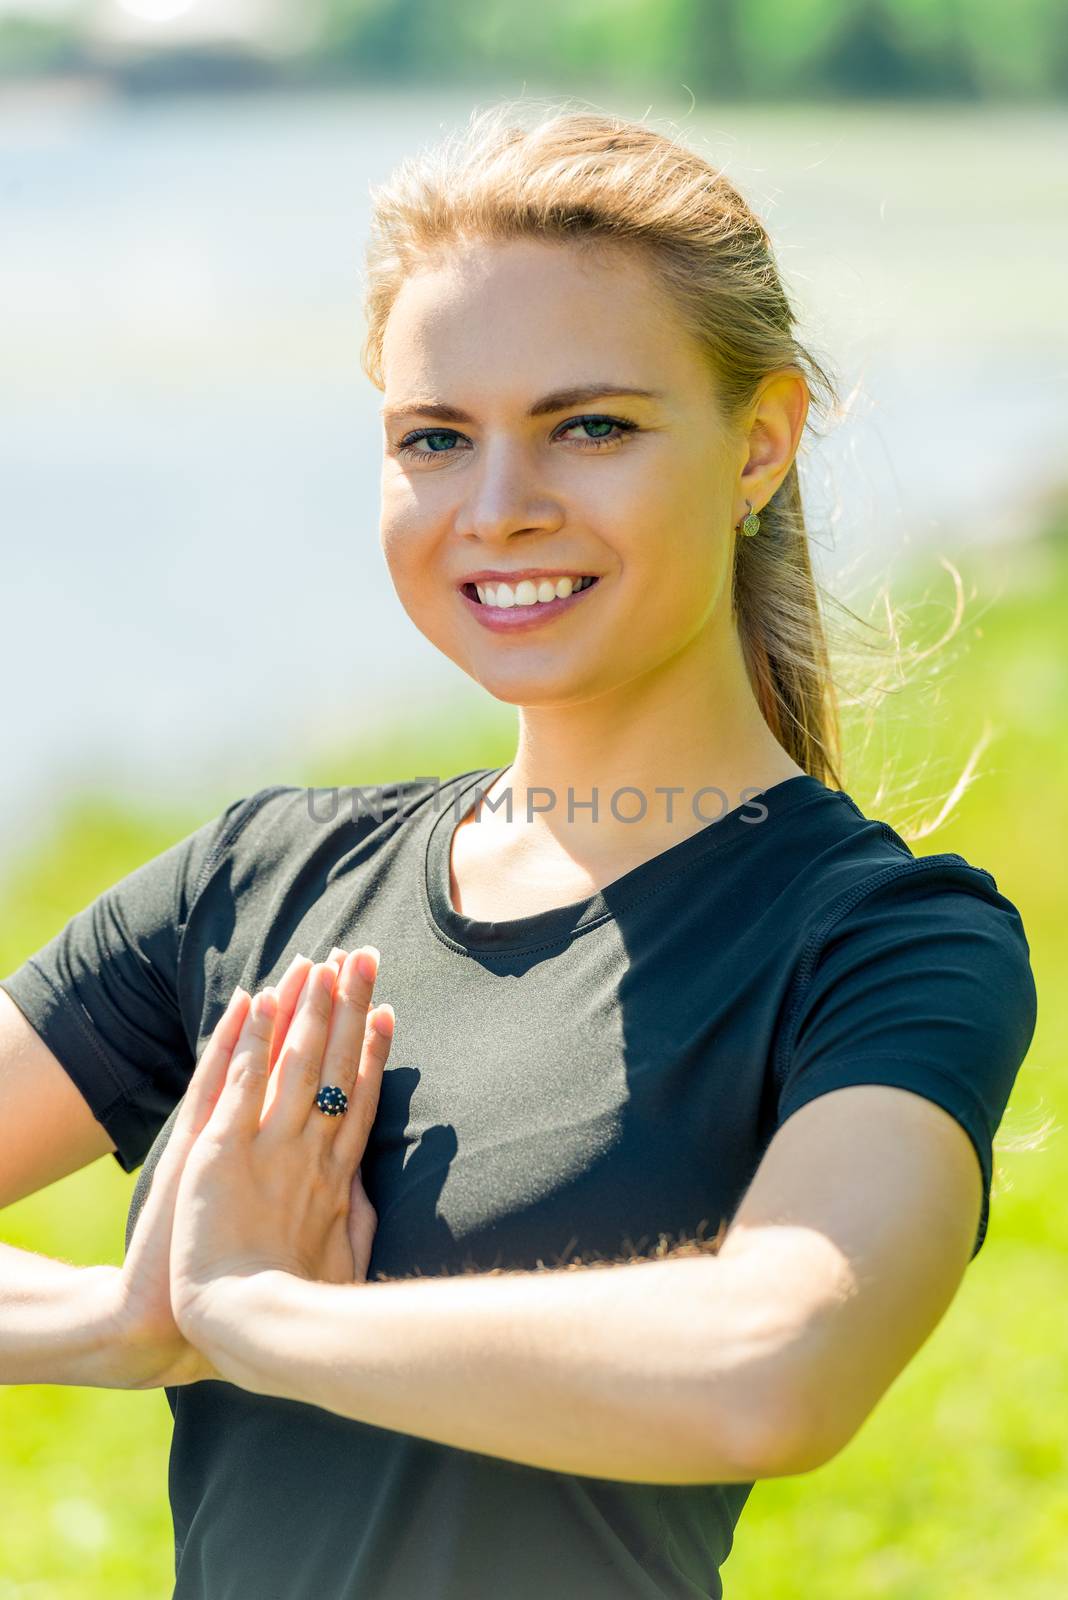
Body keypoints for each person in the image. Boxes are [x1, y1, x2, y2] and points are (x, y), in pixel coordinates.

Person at [0, 101, 1039, 1600]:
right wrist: (125, 1324)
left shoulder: (879, 941)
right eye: (436, 438)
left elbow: (776, 1362)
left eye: (592, 426)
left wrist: (258, 1318)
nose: (500, 510)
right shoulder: (258, 883)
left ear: (760, 443)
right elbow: (176, 1313)